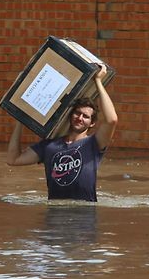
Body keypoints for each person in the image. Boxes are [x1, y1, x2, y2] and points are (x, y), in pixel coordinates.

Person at [7, 65, 118, 202]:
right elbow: (13, 159)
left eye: (85, 116)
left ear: (92, 123)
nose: (80, 118)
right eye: (77, 113)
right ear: (70, 115)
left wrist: (98, 81)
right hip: (55, 212)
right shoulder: (49, 146)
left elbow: (112, 120)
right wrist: (20, 120)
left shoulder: (94, 144)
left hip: (85, 214)